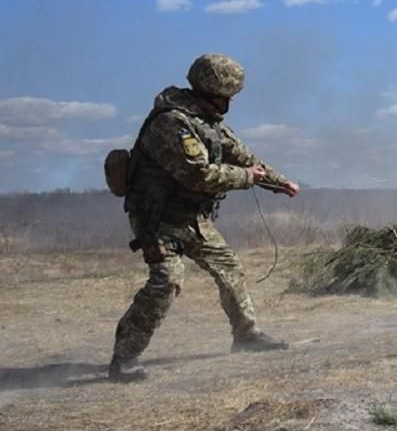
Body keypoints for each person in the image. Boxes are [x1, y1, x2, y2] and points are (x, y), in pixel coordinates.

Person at [109, 53, 300, 382]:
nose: (229, 104)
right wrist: (248, 178)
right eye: (226, 97)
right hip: (156, 219)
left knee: (229, 269)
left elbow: (242, 156)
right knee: (167, 280)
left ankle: (246, 336)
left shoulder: (206, 121)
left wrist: (277, 182)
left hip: (191, 217)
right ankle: (124, 358)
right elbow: (199, 176)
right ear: (209, 92)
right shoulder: (171, 123)